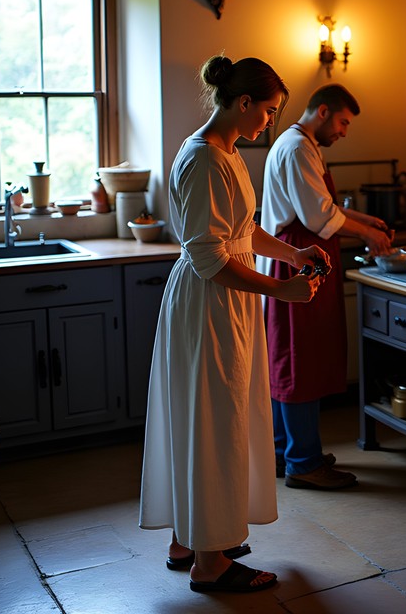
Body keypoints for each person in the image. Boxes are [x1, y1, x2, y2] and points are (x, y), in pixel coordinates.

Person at [139, 55, 330, 595]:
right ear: (243, 102)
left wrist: (292, 254)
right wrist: (280, 289)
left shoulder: (225, 151)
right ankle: (210, 564)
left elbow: (241, 232)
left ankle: (190, 539)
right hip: (210, 303)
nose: (269, 121)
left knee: (206, 416)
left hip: (224, 300)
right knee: (214, 421)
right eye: (268, 110)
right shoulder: (204, 159)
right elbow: (210, 259)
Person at [259, 84, 392, 490]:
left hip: (297, 259)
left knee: (289, 359)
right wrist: (367, 235)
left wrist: (365, 221)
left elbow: (325, 207)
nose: (344, 132)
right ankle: (303, 462)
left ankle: (284, 453)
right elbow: (318, 218)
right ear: (322, 112)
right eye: (343, 123)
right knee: (299, 362)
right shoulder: (297, 148)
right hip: (297, 262)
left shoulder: (304, 145)